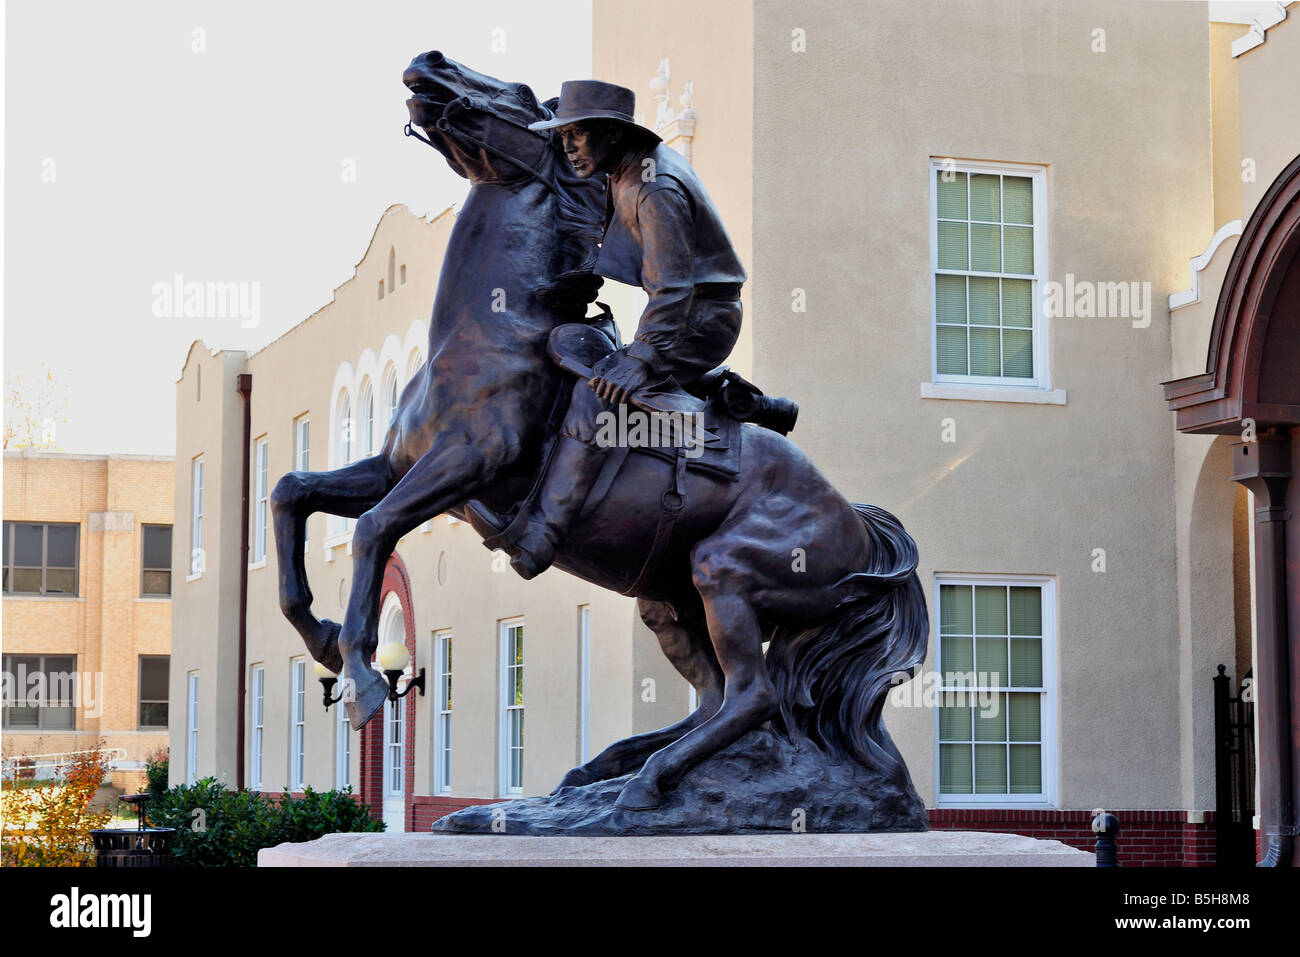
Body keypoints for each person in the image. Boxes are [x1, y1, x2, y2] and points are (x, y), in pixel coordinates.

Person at [469, 79, 747, 579]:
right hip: (680, 307)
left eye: (578, 134)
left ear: (614, 135)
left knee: (597, 394)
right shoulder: (622, 170)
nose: (568, 145)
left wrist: (640, 359)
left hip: (699, 319)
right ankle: (704, 391)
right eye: (564, 135)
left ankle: (542, 533)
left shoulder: (653, 188)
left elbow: (674, 289)